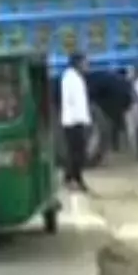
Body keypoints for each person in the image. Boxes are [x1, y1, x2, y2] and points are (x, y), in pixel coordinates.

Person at [60, 52, 91, 192]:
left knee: (78, 153)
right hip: (73, 121)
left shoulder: (76, 77)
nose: (87, 65)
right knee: (76, 153)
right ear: (77, 63)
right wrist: (81, 120)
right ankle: (73, 179)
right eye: (85, 62)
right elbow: (72, 101)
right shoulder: (69, 78)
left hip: (78, 120)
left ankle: (73, 178)